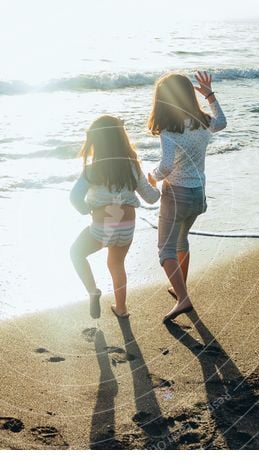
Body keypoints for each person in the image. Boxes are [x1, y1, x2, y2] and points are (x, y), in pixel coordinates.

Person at [147, 71, 227, 323]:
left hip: (175, 195)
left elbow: (167, 166)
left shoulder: (170, 130)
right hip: (197, 195)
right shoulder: (203, 123)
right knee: (182, 241)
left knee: (165, 250)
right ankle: (181, 289)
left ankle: (183, 298)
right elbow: (222, 122)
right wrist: (210, 96)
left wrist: (152, 176)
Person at [70, 115, 160, 319]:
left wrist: (86, 210)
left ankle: (93, 291)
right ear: (121, 138)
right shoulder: (133, 166)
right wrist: (154, 184)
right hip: (127, 224)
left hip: (103, 224)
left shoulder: (92, 170)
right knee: (116, 263)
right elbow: (152, 198)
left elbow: (74, 197)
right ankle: (121, 308)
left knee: (76, 252)